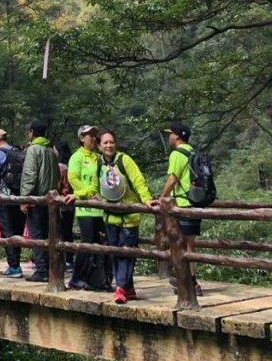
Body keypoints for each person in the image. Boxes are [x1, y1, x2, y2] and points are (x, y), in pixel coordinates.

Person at [97, 129, 153, 303]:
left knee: (127, 253)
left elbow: (138, 181)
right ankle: (128, 288)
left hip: (129, 216)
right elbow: (92, 184)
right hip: (110, 217)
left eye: (111, 142)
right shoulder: (98, 163)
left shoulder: (124, 160)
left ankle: (120, 288)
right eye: (105, 142)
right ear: (99, 146)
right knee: (115, 253)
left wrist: (147, 199)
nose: (109, 145)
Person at [158, 122, 204, 296]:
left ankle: (190, 282)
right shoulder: (192, 151)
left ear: (177, 136)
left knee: (183, 245)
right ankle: (190, 280)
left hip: (184, 203)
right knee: (190, 244)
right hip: (195, 201)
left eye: (171, 134)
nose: (169, 137)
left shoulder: (177, 153)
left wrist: (162, 197)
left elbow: (173, 178)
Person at [68, 125, 111, 291]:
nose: (92, 138)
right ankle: (76, 278)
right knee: (86, 243)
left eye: (94, 135)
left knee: (99, 242)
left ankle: (96, 279)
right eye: (89, 135)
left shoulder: (98, 158)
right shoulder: (77, 157)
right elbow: (73, 178)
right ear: (81, 138)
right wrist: (84, 193)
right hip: (85, 208)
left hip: (99, 207)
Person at [19, 120, 59, 283]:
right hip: (49, 200)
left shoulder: (33, 150)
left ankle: (42, 271)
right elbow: (56, 174)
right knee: (48, 235)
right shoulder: (50, 151)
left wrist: (25, 198)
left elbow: (30, 175)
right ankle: (50, 269)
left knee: (37, 236)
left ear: (32, 133)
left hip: (35, 199)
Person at [0, 127, 27, 278]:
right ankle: (16, 264)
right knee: (18, 230)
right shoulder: (18, 152)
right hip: (20, 197)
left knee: (7, 232)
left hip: (4, 198)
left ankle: (14, 267)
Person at [53, 140, 75, 270]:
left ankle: (62, 259)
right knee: (68, 233)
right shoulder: (70, 166)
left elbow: (59, 187)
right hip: (71, 205)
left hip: (62, 204)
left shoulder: (60, 168)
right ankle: (69, 260)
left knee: (59, 233)